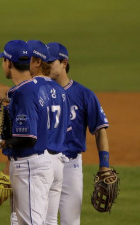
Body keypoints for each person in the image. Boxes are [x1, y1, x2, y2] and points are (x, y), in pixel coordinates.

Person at [0, 40, 69, 225]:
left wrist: (3, 142)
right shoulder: (50, 89)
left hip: (32, 163)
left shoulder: (26, 90)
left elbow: (28, 137)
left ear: (9, 63)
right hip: (50, 160)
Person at [47, 42, 110, 225]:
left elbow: (100, 130)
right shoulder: (41, 91)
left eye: (50, 62)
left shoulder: (84, 94)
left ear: (64, 63)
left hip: (71, 166)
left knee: (71, 221)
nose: (46, 66)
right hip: (46, 163)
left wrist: (104, 165)